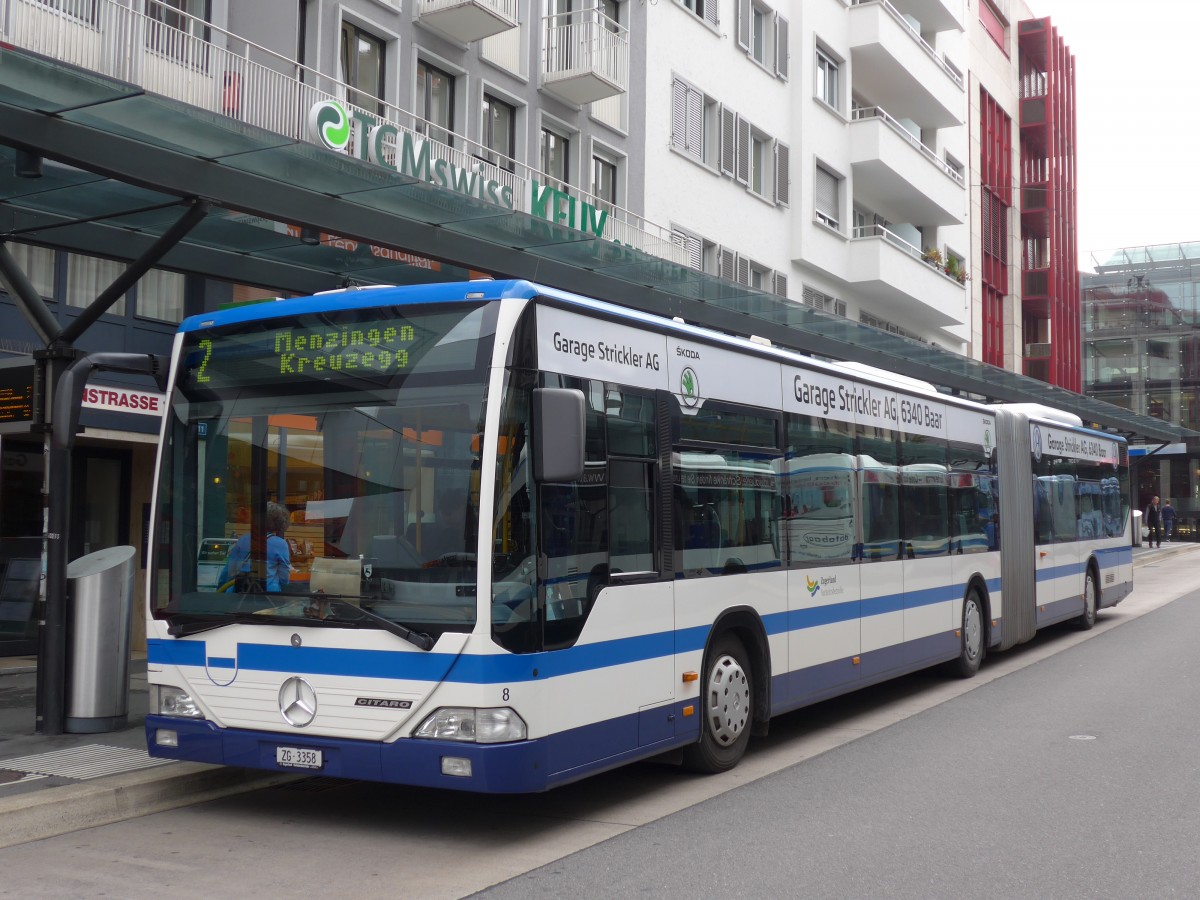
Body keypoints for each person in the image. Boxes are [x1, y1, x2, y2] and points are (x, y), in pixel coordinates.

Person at [220, 501, 292, 591]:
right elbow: (284, 578)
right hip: (268, 593)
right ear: (280, 522)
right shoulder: (280, 544)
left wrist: (220, 587)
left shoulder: (243, 539)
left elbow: (230, 571)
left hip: (241, 591)